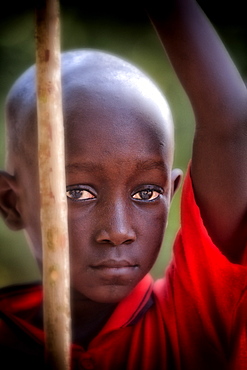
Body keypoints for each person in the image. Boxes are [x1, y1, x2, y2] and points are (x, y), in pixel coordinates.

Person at [0, 0, 247, 369]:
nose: (117, 231)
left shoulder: (190, 320)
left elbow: (232, 124)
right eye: (77, 192)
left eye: (146, 193)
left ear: (172, 194)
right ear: (11, 202)